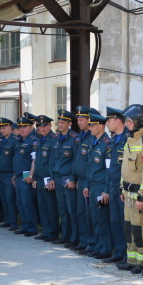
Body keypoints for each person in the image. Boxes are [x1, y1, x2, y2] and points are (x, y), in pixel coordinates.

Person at [120, 104, 143, 275]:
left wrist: (142, 196)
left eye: (128, 121)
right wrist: (122, 189)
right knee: (129, 227)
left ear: (138, 122)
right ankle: (132, 260)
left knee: (140, 229)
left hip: (138, 195)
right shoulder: (131, 139)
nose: (126, 124)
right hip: (128, 193)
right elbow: (125, 168)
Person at [83, 112, 113, 259]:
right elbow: (89, 166)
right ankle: (98, 245)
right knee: (94, 218)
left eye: (92, 125)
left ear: (100, 126)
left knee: (102, 219)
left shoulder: (106, 144)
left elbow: (108, 169)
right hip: (93, 185)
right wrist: (86, 185)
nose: (90, 128)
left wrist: (106, 189)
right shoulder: (93, 142)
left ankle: (105, 248)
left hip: (102, 186)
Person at [104, 107, 130, 264]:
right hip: (113, 186)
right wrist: (107, 188)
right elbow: (110, 168)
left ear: (117, 120)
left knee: (124, 221)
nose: (106, 123)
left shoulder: (128, 139)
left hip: (123, 188)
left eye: (109, 120)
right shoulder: (113, 141)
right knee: (114, 221)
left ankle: (129, 254)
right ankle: (119, 251)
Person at [49, 110, 78, 246]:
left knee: (71, 209)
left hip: (67, 177)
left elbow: (75, 161)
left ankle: (74, 237)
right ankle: (65, 235)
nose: (60, 125)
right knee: (62, 208)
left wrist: (72, 178)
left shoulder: (74, 138)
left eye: (63, 122)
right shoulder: (56, 138)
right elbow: (52, 160)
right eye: (59, 122)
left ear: (69, 123)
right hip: (57, 176)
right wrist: (52, 177)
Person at [72, 106, 97, 254]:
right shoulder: (80, 136)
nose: (79, 123)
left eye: (82, 120)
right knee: (80, 212)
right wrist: (74, 178)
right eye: (78, 120)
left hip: (89, 180)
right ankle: (83, 241)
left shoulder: (93, 137)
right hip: (80, 180)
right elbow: (77, 160)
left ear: (89, 120)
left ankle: (92, 242)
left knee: (90, 214)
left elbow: (89, 163)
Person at [33, 115, 59, 241]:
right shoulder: (39, 139)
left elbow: (52, 161)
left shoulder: (53, 139)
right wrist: (34, 177)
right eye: (39, 126)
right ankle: (46, 230)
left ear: (50, 126)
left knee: (50, 206)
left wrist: (51, 178)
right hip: (39, 177)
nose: (41, 128)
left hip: (48, 177)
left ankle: (53, 232)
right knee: (42, 206)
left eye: (44, 126)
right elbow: (37, 160)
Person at [13, 116, 39, 236]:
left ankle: (32, 228)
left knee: (27, 202)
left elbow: (34, 160)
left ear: (30, 127)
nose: (22, 129)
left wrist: (31, 175)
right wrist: (14, 175)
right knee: (20, 202)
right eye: (20, 127)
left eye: (24, 127)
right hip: (18, 175)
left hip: (26, 175)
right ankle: (25, 225)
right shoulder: (20, 140)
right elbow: (17, 159)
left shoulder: (33, 140)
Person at [0, 118, 19, 230]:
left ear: (10, 127)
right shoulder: (1, 140)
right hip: (1, 174)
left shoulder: (15, 140)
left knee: (10, 199)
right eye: (1, 128)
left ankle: (14, 222)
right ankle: (8, 220)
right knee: (4, 199)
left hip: (9, 174)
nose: (2, 130)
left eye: (4, 128)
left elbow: (15, 159)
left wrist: (14, 174)